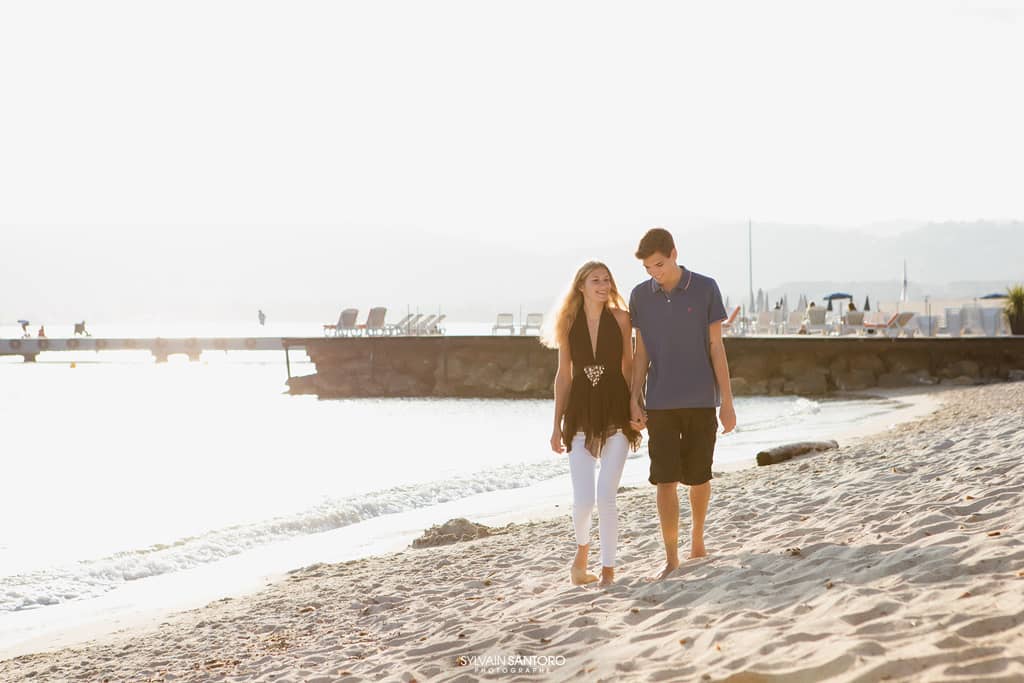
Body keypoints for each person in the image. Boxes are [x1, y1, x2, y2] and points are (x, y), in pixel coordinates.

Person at [628, 228, 737, 580]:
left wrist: (727, 402)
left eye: (659, 264)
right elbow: (640, 350)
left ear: (674, 253)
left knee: (699, 475)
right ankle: (672, 556)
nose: (655, 273)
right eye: (648, 269)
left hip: (701, 398)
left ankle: (698, 541)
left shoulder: (705, 287)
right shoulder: (640, 297)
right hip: (660, 402)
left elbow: (716, 347)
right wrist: (634, 397)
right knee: (665, 479)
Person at [546, 261, 641, 587]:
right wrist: (556, 424)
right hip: (580, 414)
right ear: (581, 286)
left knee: (606, 497)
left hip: (616, 410)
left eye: (606, 279)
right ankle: (582, 554)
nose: (602, 284)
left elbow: (629, 367)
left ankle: (608, 572)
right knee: (584, 500)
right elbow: (563, 376)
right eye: (595, 280)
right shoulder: (568, 322)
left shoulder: (621, 318)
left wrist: (635, 403)